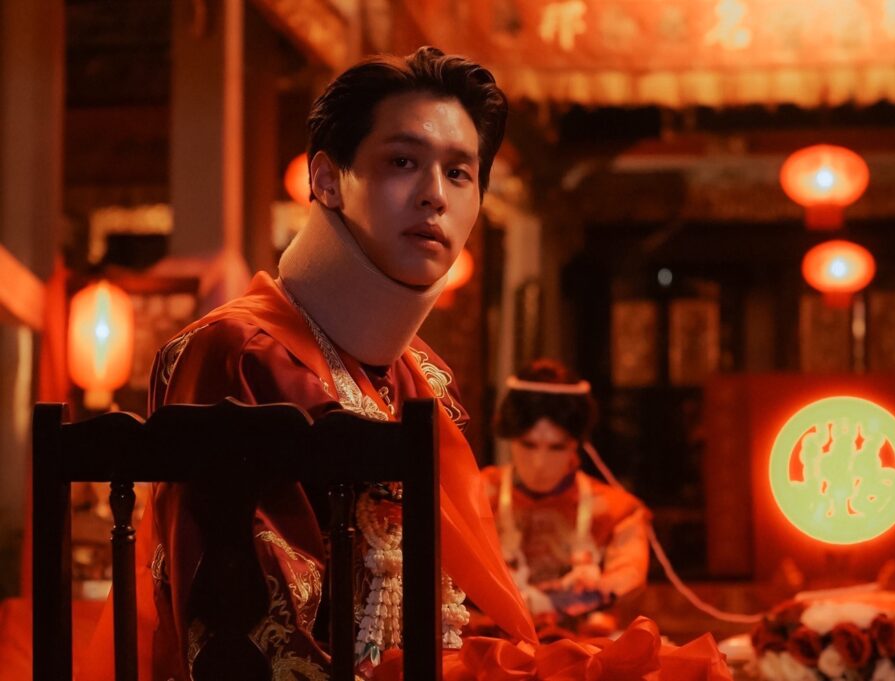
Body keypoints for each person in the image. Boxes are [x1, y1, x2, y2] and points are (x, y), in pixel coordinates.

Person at [83, 46, 534, 681]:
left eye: (460, 173)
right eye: (403, 162)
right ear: (326, 179)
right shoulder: (238, 352)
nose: (436, 195)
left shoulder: (422, 376)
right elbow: (244, 640)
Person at [482, 359, 651, 634]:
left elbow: (628, 580)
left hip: (584, 650)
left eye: (556, 447)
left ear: (576, 445)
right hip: (489, 646)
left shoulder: (617, 511)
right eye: (528, 444)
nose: (539, 463)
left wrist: (573, 598)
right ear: (510, 438)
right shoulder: (475, 497)